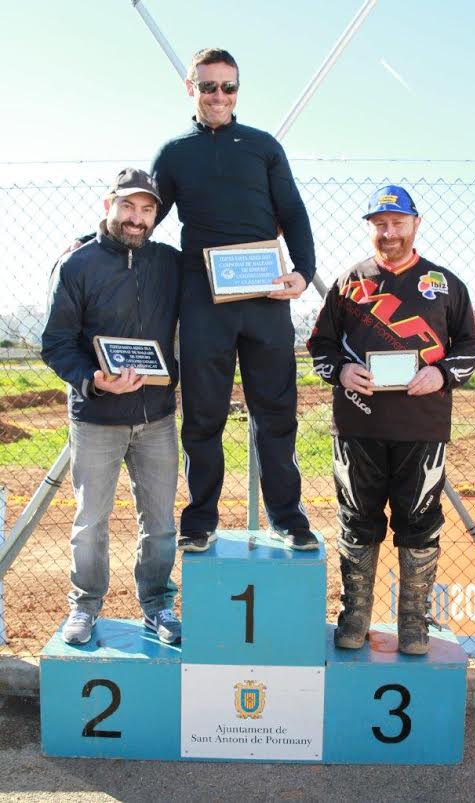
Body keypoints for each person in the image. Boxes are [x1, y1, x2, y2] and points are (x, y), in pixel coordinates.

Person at [151, 47, 319, 552]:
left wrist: (304, 272)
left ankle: (287, 517)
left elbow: (293, 212)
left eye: (228, 87)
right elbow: (146, 218)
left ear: (237, 90)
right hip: (204, 304)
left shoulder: (263, 147)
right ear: (191, 89)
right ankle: (200, 519)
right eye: (208, 86)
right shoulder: (173, 153)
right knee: (203, 416)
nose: (219, 96)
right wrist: (95, 242)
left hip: (265, 299)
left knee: (276, 413)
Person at [307, 185, 475, 654]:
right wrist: (341, 370)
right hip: (357, 426)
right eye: (380, 225)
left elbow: (472, 343)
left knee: (420, 521)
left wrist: (441, 373)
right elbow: (320, 345)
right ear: (371, 228)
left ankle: (413, 620)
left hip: (422, 428)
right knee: (356, 520)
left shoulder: (444, 284)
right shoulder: (349, 283)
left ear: (415, 224)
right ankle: (355, 615)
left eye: (397, 223)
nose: (389, 233)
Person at [41, 168, 182, 646]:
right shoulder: (78, 265)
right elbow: (56, 344)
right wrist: (94, 380)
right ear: (109, 206)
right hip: (97, 418)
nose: (136, 218)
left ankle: (158, 605)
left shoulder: (169, 263)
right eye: (128, 206)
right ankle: (84, 606)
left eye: (146, 209)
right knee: (90, 523)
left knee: (159, 523)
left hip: (156, 417)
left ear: (156, 215)